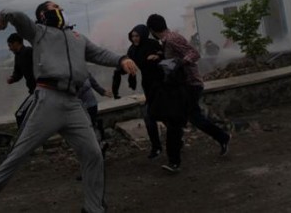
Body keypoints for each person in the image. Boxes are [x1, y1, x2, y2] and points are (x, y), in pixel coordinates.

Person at [0, 0, 137, 213]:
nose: (59, 10)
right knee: (18, 154)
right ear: (42, 14)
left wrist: (122, 59)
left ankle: (93, 207)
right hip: (47, 100)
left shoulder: (77, 38)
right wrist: (5, 15)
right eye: (53, 8)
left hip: (73, 102)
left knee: (93, 153)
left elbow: (99, 54)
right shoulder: (38, 32)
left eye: (60, 7)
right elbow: (19, 17)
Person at [146, 14, 230, 173]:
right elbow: (175, 55)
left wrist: (180, 63)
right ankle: (222, 137)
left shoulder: (171, 39)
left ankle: (174, 162)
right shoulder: (166, 41)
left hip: (190, 85)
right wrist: (161, 57)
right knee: (193, 118)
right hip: (183, 86)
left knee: (175, 122)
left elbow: (194, 53)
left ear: (151, 29)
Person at [112, 24, 164, 159]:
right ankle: (157, 147)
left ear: (143, 35)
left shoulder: (153, 44)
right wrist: (119, 72)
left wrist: (157, 57)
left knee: (155, 115)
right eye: (133, 36)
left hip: (161, 84)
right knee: (150, 117)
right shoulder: (133, 50)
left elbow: (164, 55)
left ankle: (170, 142)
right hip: (148, 84)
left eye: (137, 36)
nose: (134, 38)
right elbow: (128, 65)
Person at [6, 33, 36, 128]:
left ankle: (23, 140)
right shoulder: (18, 56)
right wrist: (12, 78)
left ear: (16, 43)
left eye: (10, 45)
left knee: (20, 115)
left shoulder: (29, 51)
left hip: (39, 92)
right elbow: (18, 73)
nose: (9, 48)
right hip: (33, 92)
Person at [77, 73, 112, 151]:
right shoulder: (68, 74)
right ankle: (94, 145)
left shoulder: (84, 70)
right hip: (80, 106)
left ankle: (100, 144)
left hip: (91, 104)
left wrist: (103, 92)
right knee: (87, 127)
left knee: (93, 124)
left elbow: (93, 83)